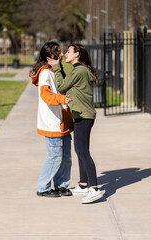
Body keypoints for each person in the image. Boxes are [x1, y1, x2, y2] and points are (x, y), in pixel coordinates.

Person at [47, 43, 104, 204]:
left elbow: (61, 87)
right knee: (80, 151)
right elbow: (68, 81)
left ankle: (94, 189)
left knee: (82, 151)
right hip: (81, 115)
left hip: (84, 116)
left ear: (77, 54)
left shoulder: (79, 71)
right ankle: (83, 184)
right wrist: (60, 66)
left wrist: (57, 67)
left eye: (69, 52)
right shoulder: (79, 70)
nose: (65, 54)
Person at [30, 41, 74, 198]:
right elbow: (46, 96)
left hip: (62, 121)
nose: (62, 54)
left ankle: (62, 185)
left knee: (66, 156)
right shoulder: (44, 73)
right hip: (52, 123)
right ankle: (43, 187)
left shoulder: (54, 70)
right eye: (59, 52)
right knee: (54, 156)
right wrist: (62, 99)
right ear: (50, 56)